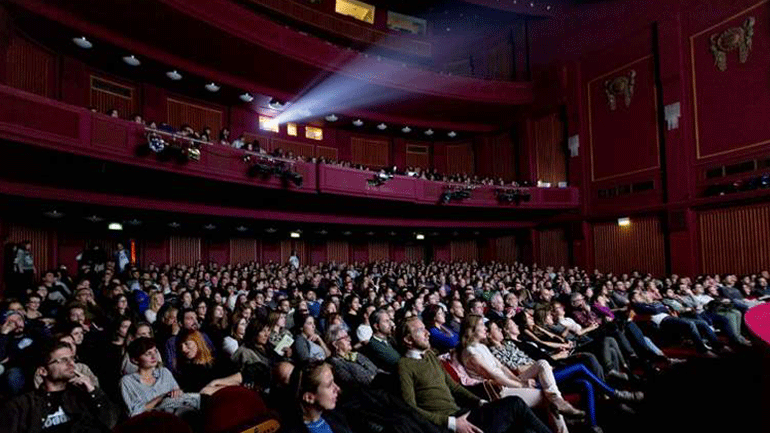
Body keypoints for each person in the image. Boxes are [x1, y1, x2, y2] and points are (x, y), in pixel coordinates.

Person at [397, 316, 552, 433]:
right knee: (515, 404)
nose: (427, 333)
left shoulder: (430, 356)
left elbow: (454, 387)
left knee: (522, 425)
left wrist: (480, 402)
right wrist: (452, 423)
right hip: (447, 422)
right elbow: (409, 407)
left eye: (425, 328)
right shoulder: (404, 365)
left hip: (461, 412)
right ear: (407, 339)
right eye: (419, 330)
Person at [459, 315, 582, 433]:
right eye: (481, 325)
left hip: (506, 381)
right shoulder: (470, 353)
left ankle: (558, 399)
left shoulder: (481, 346)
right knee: (546, 397)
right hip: (498, 390)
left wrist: (519, 381)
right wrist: (520, 385)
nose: (485, 328)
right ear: (471, 328)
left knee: (542, 363)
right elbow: (495, 376)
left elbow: (502, 367)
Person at [1, 341, 119, 433]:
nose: (71, 363)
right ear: (43, 371)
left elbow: (110, 422)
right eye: (63, 360)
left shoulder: (81, 396)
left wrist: (93, 391)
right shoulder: (21, 406)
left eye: (72, 358)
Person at [120, 337, 200, 417]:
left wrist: (177, 392)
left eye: (155, 352)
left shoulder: (164, 372)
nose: (154, 356)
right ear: (135, 360)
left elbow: (178, 395)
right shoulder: (127, 381)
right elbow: (133, 413)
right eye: (148, 354)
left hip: (176, 414)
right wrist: (159, 399)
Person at [363, 308, 401, 373]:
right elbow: (398, 361)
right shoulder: (374, 345)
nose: (390, 324)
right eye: (386, 321)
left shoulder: (390, 340)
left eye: (389, 321)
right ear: (376, 326)